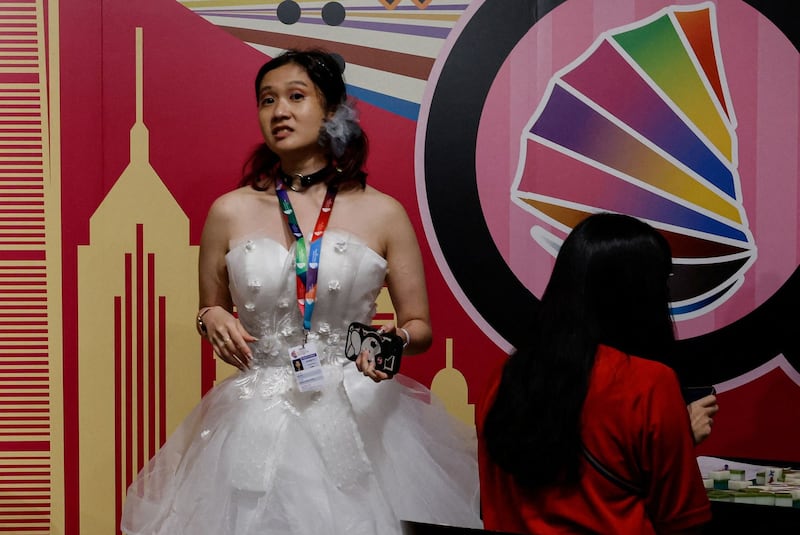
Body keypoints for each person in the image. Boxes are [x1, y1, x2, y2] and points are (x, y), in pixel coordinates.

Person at [121, 49, 480, 534]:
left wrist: (391, 343)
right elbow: (208, 308)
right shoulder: (228, 211)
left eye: (296, 96)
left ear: (332, 111)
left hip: (357, 408)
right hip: (256, 407)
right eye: (267, 100)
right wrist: (212, 319)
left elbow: (419, 326)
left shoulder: (383, 212)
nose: (280, 111)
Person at [478, 213, 712, 534]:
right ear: (643, 293)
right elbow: (682, 519)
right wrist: (680, 438)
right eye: (665, 280)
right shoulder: (649, 384)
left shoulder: (507, 375)